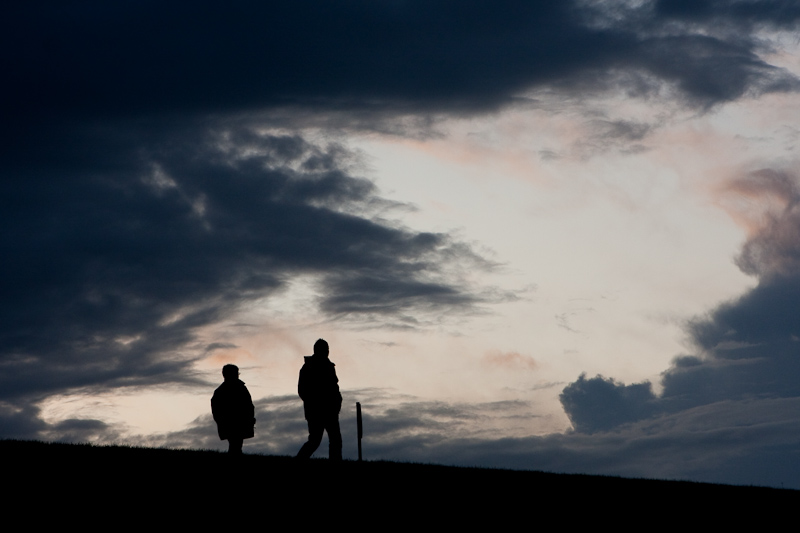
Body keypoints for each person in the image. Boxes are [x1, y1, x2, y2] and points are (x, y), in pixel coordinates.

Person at [296, 339, 343, 460]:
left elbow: (334, 388)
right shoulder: (308, 367)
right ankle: (299, 460)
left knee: (335, 440)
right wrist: (313, 404)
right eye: (325, 349)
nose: (327, 352)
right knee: (315, 441)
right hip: (316, 411)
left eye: (327, 349)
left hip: (330, 410)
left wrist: (337, 403)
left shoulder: (329, 367)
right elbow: (303, 391)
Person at [211, 364, 255, 455]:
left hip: (234, 422)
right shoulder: (239, 388)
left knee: (235, 444)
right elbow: (248, 405)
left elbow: (248, 405)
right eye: (236, 373)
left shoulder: (220, 391)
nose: (238, 375)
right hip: (235, 422)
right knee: (236, 444)